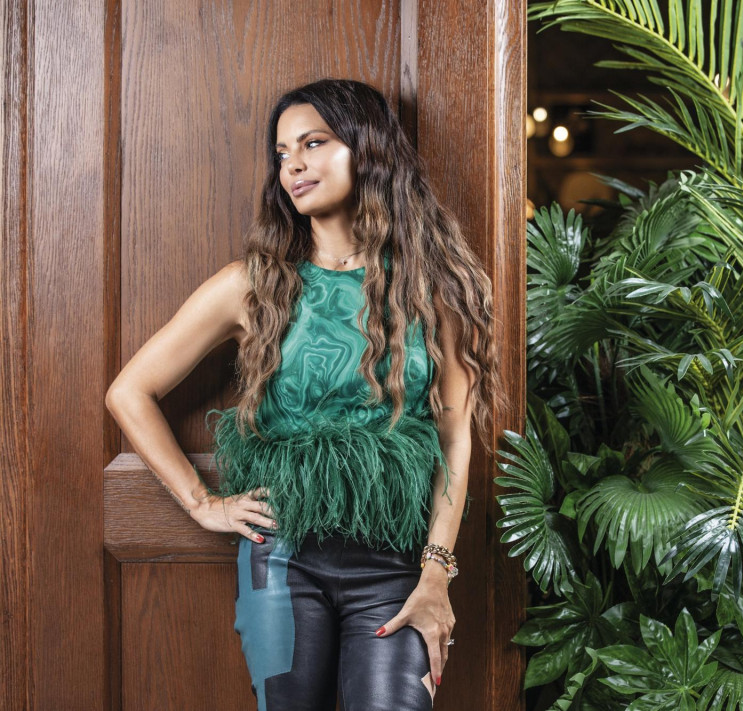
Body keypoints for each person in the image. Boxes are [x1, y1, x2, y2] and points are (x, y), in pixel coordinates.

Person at [104, 78, 507, 711]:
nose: (293, 164)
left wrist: (436, 573)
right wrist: (202, 503)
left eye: (313, 143)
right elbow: (129, 391)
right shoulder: (251, 285)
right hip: (283, 557)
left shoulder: (433, 289)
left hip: (396, 564)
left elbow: (455, 440)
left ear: (367, 150)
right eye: (282, 152)